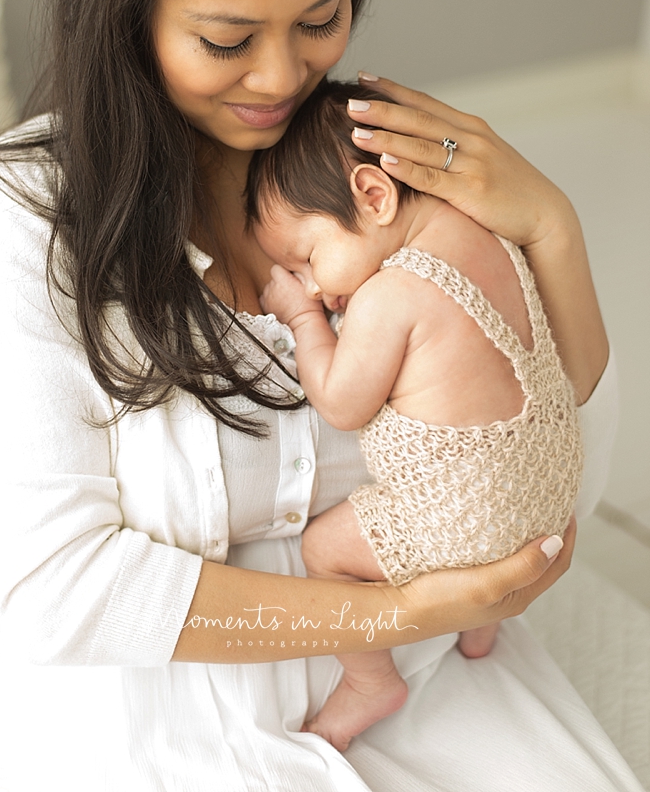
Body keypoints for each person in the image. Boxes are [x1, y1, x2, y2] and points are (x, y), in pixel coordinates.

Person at [0, 0, 643, 792]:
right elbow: (60, 592)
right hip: (159, 718)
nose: (280, 79)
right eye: (227, 40)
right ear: (127, 19)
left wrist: (551, 225)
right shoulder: (24, 218)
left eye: (320, 20)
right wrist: (393, 612)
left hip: (428, 666)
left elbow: (560, 423)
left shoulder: (367, 162)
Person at [247, 78, 584, 752]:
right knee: (491, 498)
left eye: (307, 258)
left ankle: (372, 682)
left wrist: (303, 315)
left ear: (375, 195)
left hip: (472, 519)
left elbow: (341, 402)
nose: (315, 283)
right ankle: (483, 626)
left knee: (323, 550)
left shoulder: (390, 295)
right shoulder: (485, 233)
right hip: (553, 487)